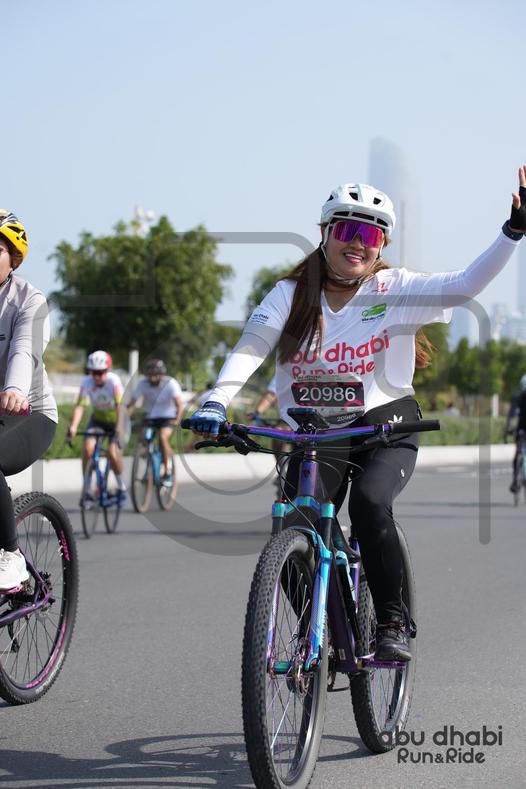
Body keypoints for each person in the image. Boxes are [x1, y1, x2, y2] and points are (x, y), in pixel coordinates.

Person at [188, 167, 526, 662]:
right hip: (317, 430)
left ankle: (391, 621)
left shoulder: (394, 289)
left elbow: (465, 284)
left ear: (381, 243)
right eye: (347, 229)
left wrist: (513, 231)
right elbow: (251, 347)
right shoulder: (289, 293)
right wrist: (216, 401)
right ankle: (317, 631)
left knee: (369, 504)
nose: (357, 243)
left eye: (370, 234)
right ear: (325, 233)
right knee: (294, 525)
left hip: (386, 424)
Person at [0, 211, 58, 590]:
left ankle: (11, 555)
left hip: (29, 412)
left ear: (14, 257)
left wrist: (15, 389)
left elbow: (25, 350)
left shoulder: (28, 300)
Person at [67, 350, 127, 502]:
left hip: (116, 421)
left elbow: (120, 407)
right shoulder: (86, 382)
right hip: (98, 420)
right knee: (87, 449)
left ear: (107, 370)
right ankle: (87, 489)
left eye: (101, 373)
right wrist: (73, 426)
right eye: (94, 372)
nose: (97, 376)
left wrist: (119, 429)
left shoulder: (114, 381)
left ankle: (121, 487)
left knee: (112, 453)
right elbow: (80, 406)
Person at [125, 358, 184, 481]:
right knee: (142, 438)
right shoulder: (143, 384)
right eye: (150, 375)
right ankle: (147, 460)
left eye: (156, 374)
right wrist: (125, 418)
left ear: (162, 374)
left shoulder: (170, 383)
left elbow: (179, 404)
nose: (153, 378)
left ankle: (167, 469)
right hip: (150, 417)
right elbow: (132, 403)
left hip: (168, 417)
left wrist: (177, 420)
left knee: (163, 437)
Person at [506, 373, 526, 493]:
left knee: (517, 454)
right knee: (518, 454)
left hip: (521, 429)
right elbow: (512, 413)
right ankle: (515, 480)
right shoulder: (518, 398)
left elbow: (511, 415)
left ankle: (515, 480)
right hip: (521, 429)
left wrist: (509, 426)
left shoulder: (518, 397)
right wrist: (509, 426)